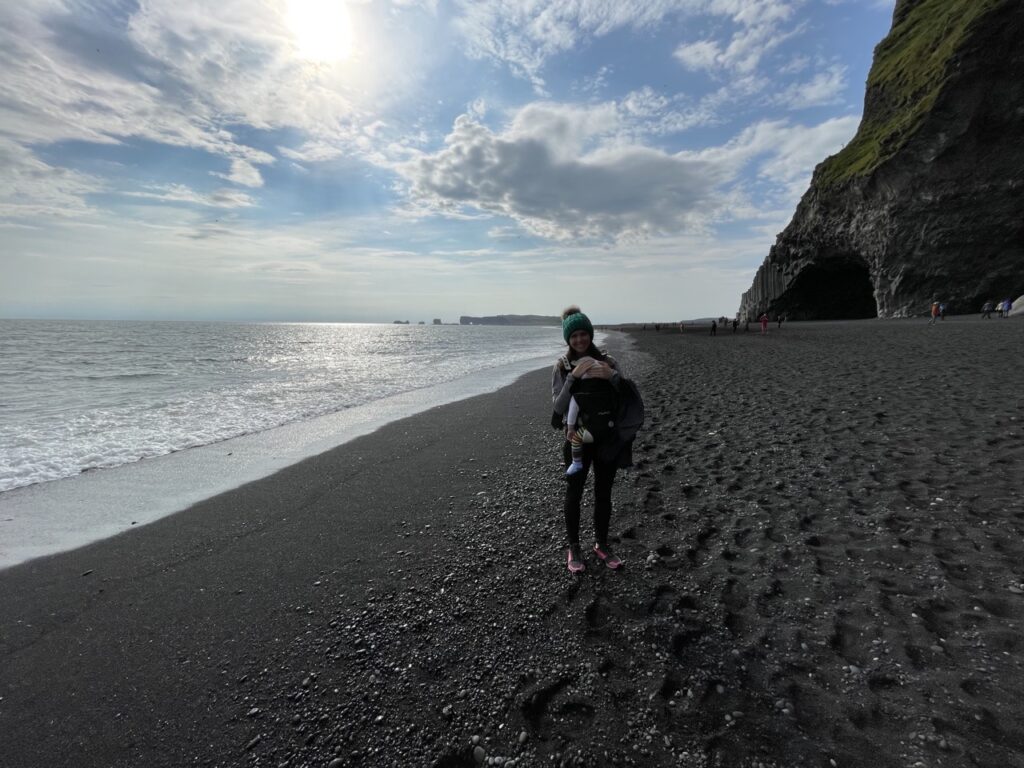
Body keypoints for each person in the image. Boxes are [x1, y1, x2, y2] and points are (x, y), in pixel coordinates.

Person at [552, 306, 626, 573]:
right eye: (574, 336)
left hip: (606, 438)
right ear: (568, 339)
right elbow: (558, 408)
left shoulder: (609, 361)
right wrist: (573, 377)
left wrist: (612, 376)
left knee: (603, 493)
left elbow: (626, 395)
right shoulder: (561, 366)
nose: (580, 340)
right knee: (574, 493)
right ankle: (573, 547)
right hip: (577, 441)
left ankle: (602, 544)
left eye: (584, 334)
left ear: (590, 335)